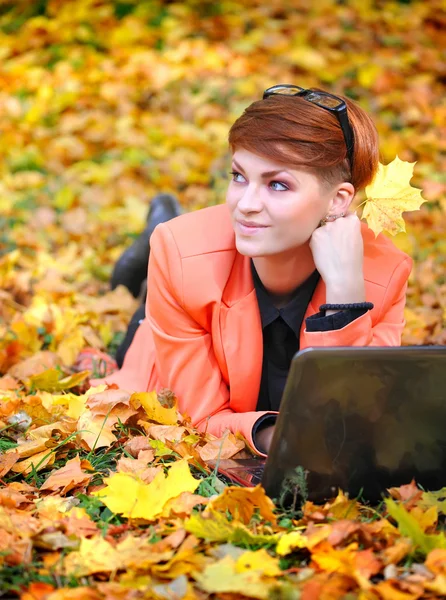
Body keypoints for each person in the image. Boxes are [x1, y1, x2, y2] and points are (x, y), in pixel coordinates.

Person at [92, 84, 413, 455]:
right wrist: (280, 439)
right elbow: (197, 416)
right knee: (133, 340)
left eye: (277, 184)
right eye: (239, 176)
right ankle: (146, 262)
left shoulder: (385, 275)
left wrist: (345, 298)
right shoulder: (182, 257)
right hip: (166, 326)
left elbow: (358, 418)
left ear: (338, 201)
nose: (245, 204)